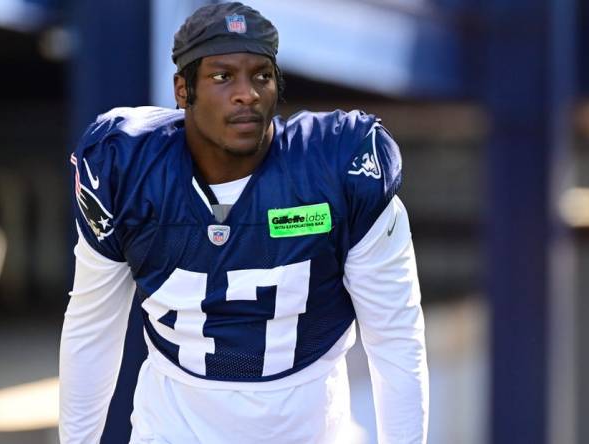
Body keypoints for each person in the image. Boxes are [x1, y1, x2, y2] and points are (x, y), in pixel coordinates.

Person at [59, 2, 428, 443]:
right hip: (174, 430)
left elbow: (395, 337)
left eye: (261, 75)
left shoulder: (339, 169)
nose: (246, 93)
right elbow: (92, 329)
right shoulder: (126, 168)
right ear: (182, 90)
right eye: (222, 76)